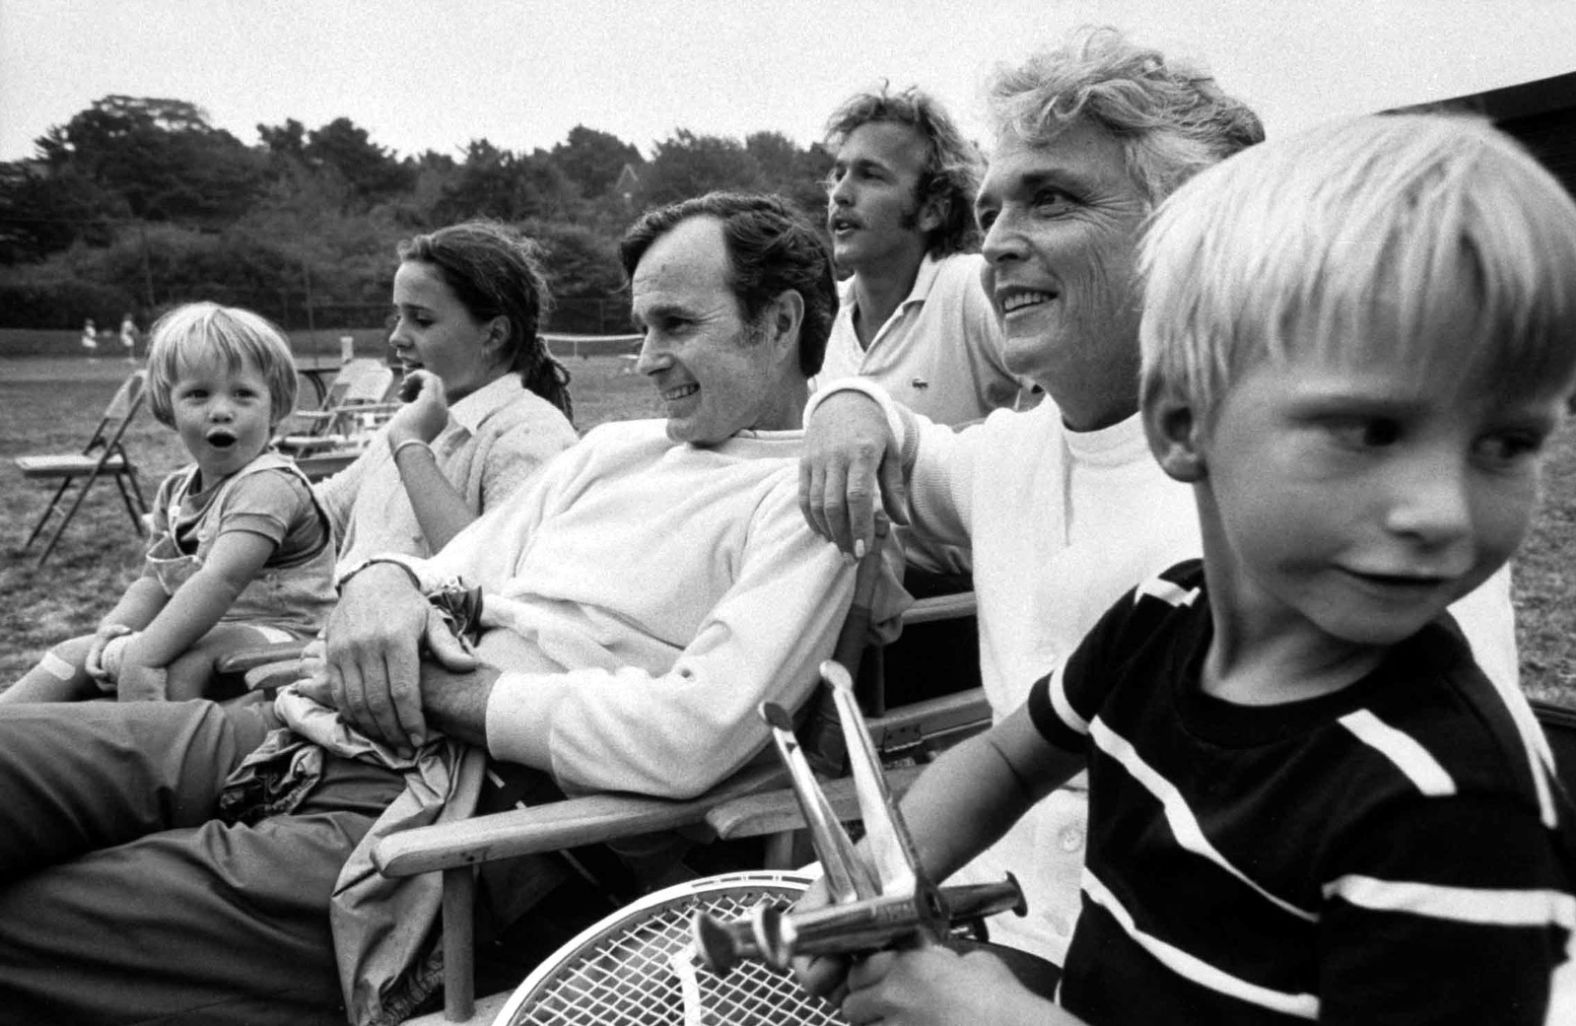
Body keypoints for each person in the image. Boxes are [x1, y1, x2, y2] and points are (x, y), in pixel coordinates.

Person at [0, 192, 904, 1026]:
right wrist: (381, 582)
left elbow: (693, 735)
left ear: (781, 321)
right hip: (304, 730)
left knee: (30, 927)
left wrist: (439, 691)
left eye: (675, 326)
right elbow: (444, 563)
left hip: (454, 824)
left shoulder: (807, 498)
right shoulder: (620, 449)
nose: (644, 359)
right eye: (640, 327)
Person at [798, 111, 1576, 1026]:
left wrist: (989, 1015)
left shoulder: (1453, 806)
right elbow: (1009, 759)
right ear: (1183, 426)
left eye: (1508, 442)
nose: (1441, 512)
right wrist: (878, 880)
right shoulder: (1164, 614)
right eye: (1370, 431)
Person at [3, 302, 338, 704]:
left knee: (177, 670)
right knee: (69, 658)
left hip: (287, 635)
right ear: (169, 407)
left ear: (275, 406)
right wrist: (117, 627)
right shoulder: (176, 489)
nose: (220, 410)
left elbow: (220, 580)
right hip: (202, 630)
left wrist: (142, 657)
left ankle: (150, 756)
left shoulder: (268, 485)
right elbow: (154, 580)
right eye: (197, 394)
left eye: (243, 394)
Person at [314, 220, 578, 582]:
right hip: (340, 626)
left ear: (494, 335)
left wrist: (411, 448)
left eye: (421, 320)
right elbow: (322, 515)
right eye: (398, 316)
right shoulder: (417, 420)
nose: (396, 337)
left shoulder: (529, 433)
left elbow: (493, 577)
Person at [818, 84, 1025, 428]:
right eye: (839, 175)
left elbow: (1065, 394)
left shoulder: (970, 288)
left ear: (933, 209)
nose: (839, 194)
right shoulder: (822, 313)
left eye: (870, 175)